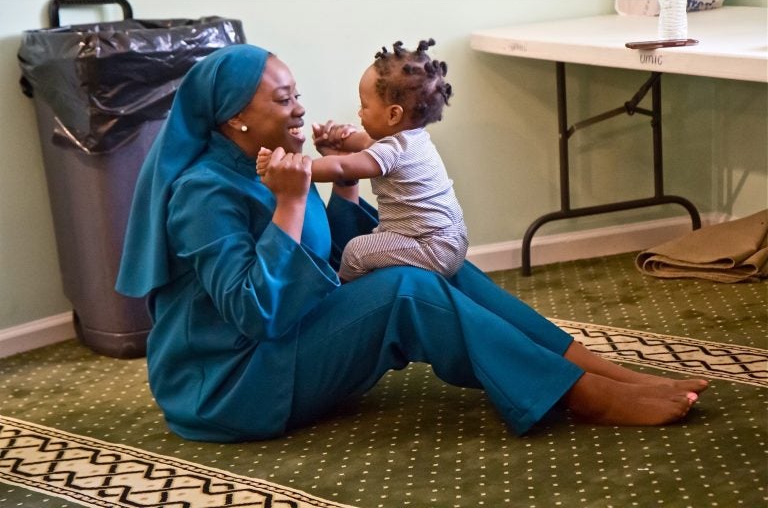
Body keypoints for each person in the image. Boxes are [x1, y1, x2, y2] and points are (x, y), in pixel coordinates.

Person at [116, 44, 707, 443]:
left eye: (296, 92)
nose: (299, 107)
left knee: (439, 266)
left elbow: (328, 263)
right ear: (231, 118)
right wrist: (294, 203)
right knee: (407, 287)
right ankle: (583, 397)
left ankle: (595, 370)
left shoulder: (273, 166)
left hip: (283, 346)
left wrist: (344, 184)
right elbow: (256, 313)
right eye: (282, 99)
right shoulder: (202, 193)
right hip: (230, 387)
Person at [258, 39, 467, 282]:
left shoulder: (392, 152)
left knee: (356, 251)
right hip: (449, 239)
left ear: (393, 114)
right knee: (375, 242)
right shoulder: (411, 141)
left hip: (431, 246)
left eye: (364, 106)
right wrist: (340, 138)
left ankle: (342, 289)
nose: (359, 113)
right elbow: (365, 142)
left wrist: (292, 166)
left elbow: (341, 167)